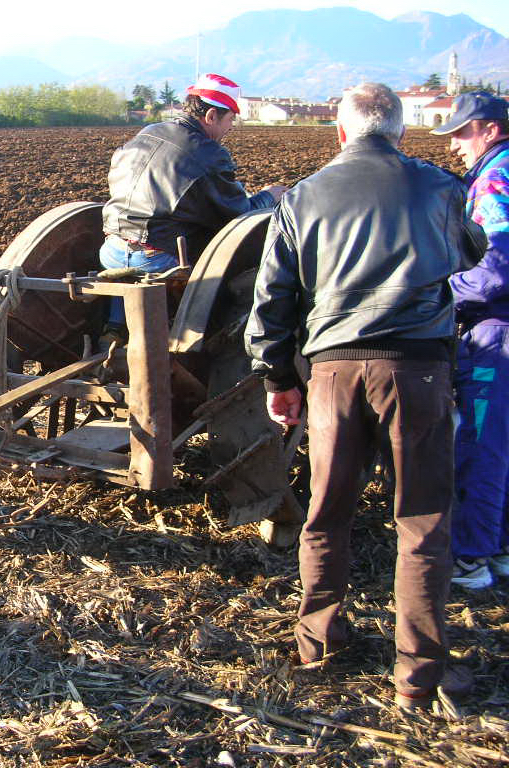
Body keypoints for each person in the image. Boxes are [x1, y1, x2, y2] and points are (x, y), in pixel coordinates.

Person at [244, 83, 486, 710]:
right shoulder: (441, 188)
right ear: (401, 132)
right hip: (419, 373)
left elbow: (272, 302)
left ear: (341, 133)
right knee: (423, 521)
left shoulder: (302, 198)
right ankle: (418, 677)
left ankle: (318, 642)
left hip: (334, 374)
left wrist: (279, 379)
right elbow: (473, 251)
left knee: (328, 512)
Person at [99, 73, 286, 340]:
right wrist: (269, 197)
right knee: (238, 266)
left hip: (111, 250)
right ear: (211, 116)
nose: (231, 127)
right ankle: (198, 342)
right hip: (159, 259)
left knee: (130, 265)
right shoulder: (208, 153)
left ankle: (115, 327)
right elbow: (238, 214)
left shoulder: (149, 131)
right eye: (230, 118)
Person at [431, 92, 509, 589]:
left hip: (496, 333)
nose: (455, 145)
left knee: (479, 445)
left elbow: (496, 268)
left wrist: (440, 293)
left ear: (489, 129)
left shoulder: (496, 181)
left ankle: (471, 556)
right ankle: (499, 547)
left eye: (461, 133)